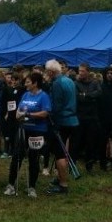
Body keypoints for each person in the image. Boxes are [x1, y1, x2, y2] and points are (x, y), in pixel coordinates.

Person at [5, 72, 52, 198]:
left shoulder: (43, 96)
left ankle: (32, 187)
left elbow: (45, 113)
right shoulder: (25, 94)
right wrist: (19, 115)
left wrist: (29, 115)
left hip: (37, 130)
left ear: (35, 83)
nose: (25, 84)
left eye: (28, 82)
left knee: (34, 158)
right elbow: (19, 110)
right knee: (17, 157)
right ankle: (10, 185)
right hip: (23, 129)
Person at [44, 59, 78, 194]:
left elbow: (56, 105)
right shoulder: (69, 80)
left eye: (47, 72)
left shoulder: (57, 83)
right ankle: (60, 178)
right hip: (72, 119)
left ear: (51, 72)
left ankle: (63, 184)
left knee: (59, 153)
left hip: (62, 121)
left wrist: (49, 114)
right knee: (62, 151)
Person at [75, 62, 103, 172]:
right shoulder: (76, 83)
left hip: (92, 117)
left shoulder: (95, 82)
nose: (80, 73)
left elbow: (99, 94)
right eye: (79, 71)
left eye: (82, 71)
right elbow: (78, 97)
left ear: (87, 71)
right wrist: (90, 96)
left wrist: (86, 95)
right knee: (77, 142)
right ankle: (73, 163)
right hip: (79, 117)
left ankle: (89, 165)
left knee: (91, 142)